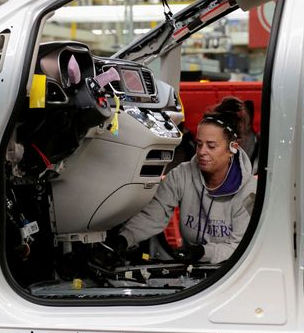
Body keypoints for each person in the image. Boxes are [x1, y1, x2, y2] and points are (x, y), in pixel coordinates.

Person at [97, 97, 256, 265]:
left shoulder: (248, 191)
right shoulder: (181, 175)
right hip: (190, 268)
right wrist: (124, 239)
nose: (202, 152)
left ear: (233, 148)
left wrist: (202, 252)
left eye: (211, 146)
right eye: (199, 144)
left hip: (231, 270)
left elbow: (240, 247)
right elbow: (153, 214)